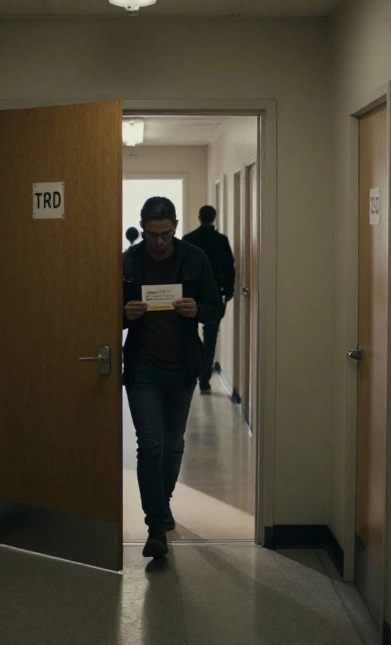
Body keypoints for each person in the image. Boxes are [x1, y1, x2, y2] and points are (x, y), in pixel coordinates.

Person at [122, 197, 223, 558]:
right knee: (148, 444)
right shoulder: (130, 260)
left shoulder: (194, 258)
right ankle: (155, 528)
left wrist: (198, 309)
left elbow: (216, 308)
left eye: (166, 234)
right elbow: (105, 310)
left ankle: (162, 504)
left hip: (182, 367)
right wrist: (124, 314)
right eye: (153, 234)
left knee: (173, 442)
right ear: (143, 228)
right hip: (143, 367)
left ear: (176, 227)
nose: (160, 242)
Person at [182, 205, 235, 394]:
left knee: (188, 333)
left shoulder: (188, 240)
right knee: (211, 335)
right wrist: (228, 292)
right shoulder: (221, 241)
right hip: (214, 296)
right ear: (214, 218)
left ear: (199, 217)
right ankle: (205, 377)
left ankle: (192, 370)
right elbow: (229, 267)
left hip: (190, 295)